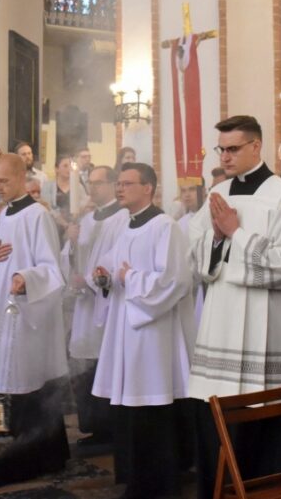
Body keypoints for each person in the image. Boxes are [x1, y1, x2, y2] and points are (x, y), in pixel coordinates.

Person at [187, 115, 281, 498]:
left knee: (261, 416)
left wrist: (235, 233)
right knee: (218, 414)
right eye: (221, 149)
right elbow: (195, 253)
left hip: (264, 324)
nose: (225, 156)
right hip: (221, 320)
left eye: (233, 148)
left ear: (256, 146)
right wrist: (218, 239)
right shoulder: (218, 193)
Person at [91, 162, 195, 499]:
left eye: (127, 183)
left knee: (152, 406)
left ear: (148, 188)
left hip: (153, 333)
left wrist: (130, 278)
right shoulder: (127, 225)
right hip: (126, 329)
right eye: (118, 183)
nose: (119, 189)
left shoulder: (165, 227)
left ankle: (158, 484)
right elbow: (112, 265)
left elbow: (175, 281)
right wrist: (103, 276)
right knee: (130, 408)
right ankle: (135, 480)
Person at [0, 154, 68, 491]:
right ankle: (33, 459)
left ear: (22, 177)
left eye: (4, 181)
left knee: (17, 389)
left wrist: (27, 278)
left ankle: (7, 466)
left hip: (24, 316)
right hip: (2, 312)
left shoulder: (37, 215)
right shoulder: (4, 213)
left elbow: (52, 269)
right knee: (6, 386)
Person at [62, 165, 127, 446]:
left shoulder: (124, 218)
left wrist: (88, 280)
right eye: (90, 183)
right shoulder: (85, 220)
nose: (93, 188)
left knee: (105, 362)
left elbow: (118, 258)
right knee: (84, 365)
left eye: (99, 183)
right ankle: (92, 426)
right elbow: (70, 259)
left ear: (113, 184)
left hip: (108, 303)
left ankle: (111, 428)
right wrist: (72, 243)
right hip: (84, 307)